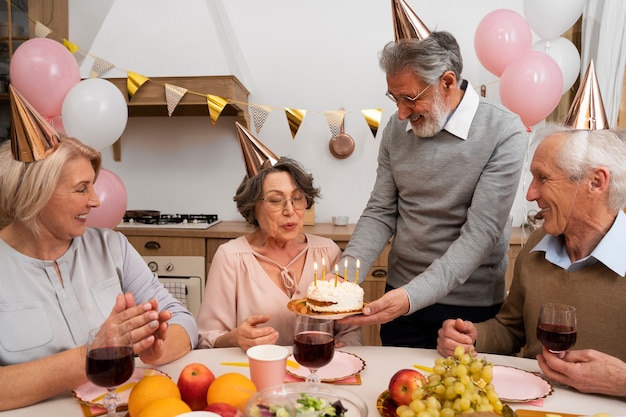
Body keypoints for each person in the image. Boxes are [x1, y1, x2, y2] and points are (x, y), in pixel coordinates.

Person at [338, 32, 526, 348]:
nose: (400, 112)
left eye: (410, 98)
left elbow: (480, 234)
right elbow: (380, 212)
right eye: (394, 98)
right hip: (400, 297)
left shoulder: (504, 131)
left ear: (448, 83)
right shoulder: (397, 130)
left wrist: (412, 296)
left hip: (467, 308)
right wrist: (342, 281)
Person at [0, 136, 197, 411]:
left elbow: (183, 321)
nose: (95, 201)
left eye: (93, 186)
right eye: (82, 189)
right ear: (36, 193)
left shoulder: (112, 247)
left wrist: (159, 347)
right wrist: (90, 355)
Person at [437, 126, 626, 397]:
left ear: (596, 182)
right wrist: (472, 337)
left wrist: (621, 381)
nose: (531, 194)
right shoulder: (538, 245)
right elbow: (511, 328)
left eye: (543, 178)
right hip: (535, 403)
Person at [196, 157, 360, 351]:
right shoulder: (231, 257)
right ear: (252, 206)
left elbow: (349, 331)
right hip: (255, 374)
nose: (290, 211)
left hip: (316, 371)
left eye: (297, 198)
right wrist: (235, 338)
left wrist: (344, 346)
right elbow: (206, 338)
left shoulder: (328, 252)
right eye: (275, 200)